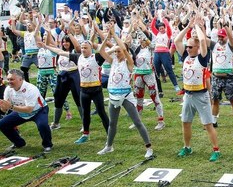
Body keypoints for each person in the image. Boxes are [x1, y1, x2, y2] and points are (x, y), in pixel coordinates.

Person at [42, 23, 109, 144]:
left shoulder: (97, 57)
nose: (83, 50)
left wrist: (99, 34)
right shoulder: (78, 57)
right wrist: (47, 46)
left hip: (96, 90)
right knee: (86, 112)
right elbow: (60, 52)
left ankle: (109, 133)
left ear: (91, 49)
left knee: (101, 112)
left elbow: (105, 49)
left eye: (85, 48)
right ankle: (85, 134)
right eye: (82, 48)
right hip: (84, 90)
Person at [96, 27, 153, 158]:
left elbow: (123, 47)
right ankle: (109, 146)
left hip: (126, 96)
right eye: (115, 52)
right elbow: (101, 51)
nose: (116, 54)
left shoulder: (129, 62)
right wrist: (107, 37)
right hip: (113, 96)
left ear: (125, 51)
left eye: (119, 51)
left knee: (137, 122)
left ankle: (148, 147)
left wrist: (115, 38)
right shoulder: (113, 62)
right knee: (112, 123)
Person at [174, 17, 221, 162]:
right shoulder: (185, 57)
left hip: (201, 95)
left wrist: (198, 28)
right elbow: (176, 41)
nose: (187, 49)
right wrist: (188, 27)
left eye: (190, 47)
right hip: (188, 95)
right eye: (187, 47)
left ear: (197, 48)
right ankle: (187, 147)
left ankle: (216, 150)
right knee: (186, 122)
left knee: (207, 124)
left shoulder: (202, 58)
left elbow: (202, 41)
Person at [0, 69, 52, 153]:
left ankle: (47, 145)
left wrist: (10, 106)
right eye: (8, 79)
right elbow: (5, 109)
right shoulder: (8, 89)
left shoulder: (31, 89)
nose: (9, 81)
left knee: (43, 125)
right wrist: (3, 107)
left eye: (11, 79)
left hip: (38, 110)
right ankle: (19, 143)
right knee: (2, 124)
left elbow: (29, 109)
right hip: (20, 110)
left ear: (20, 79)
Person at [210, 24, 233, 131]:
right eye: (219, 36)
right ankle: (213, 121)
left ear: (226, 37)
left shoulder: (231, 46)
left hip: (228, 78)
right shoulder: (214, 45)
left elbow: (232, 39)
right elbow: (203, 40)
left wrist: (226, 27)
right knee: (215, 100)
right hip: (216, 78)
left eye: (222, 36)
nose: (220, 38)